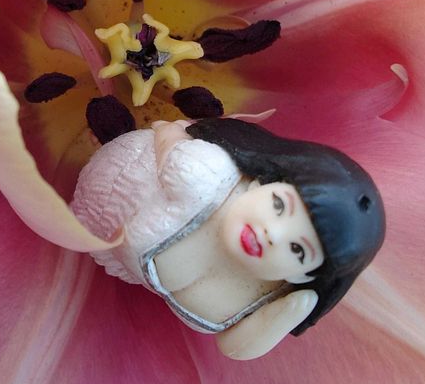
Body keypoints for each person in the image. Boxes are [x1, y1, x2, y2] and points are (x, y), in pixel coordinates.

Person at [71, 117, 385, 360]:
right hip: (112, 183)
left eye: (297, 249)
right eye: (279, 206)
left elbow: (235, 347)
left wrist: (284, 316)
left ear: (303, 276)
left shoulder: (261, 296)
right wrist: (173, 129)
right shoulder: (206, 175)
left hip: (107, 249)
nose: (272, 233)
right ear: (261, 182)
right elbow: (167, 131)